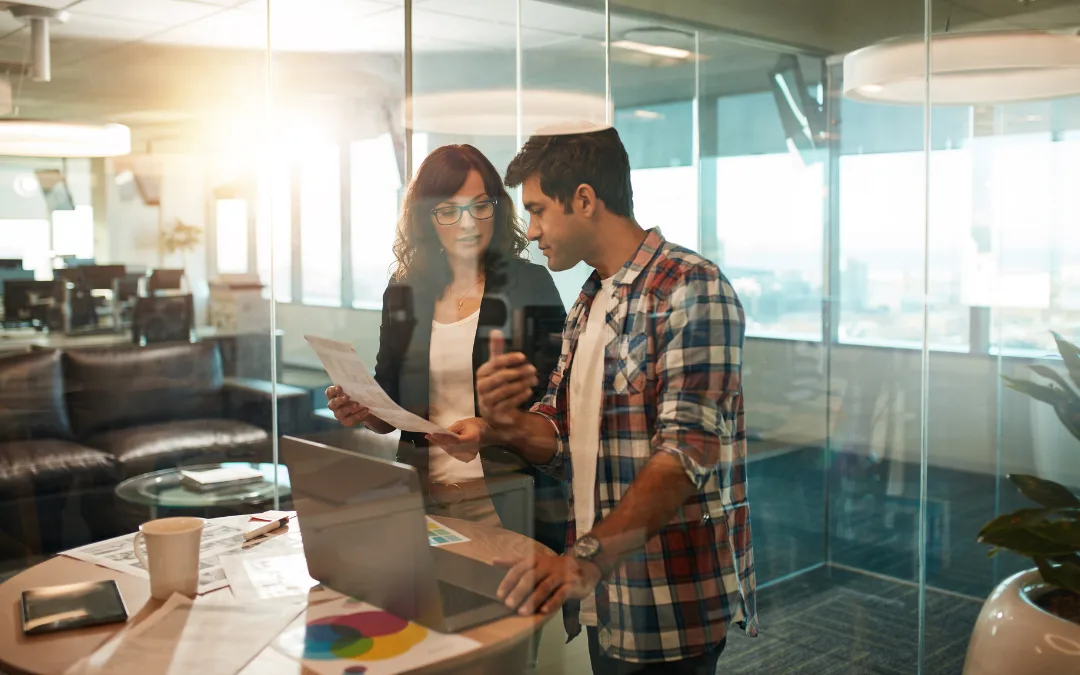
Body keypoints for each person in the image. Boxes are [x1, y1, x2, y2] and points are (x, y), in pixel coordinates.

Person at [472, 127, 758, 675]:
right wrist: (504, 426)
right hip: (606, 597)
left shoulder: (691, 289)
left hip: (668, 600)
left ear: (583, 199)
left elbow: (685, 457)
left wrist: (584, 560)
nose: (530, 232)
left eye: (536, 210)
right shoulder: (590, 298)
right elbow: (562, 437)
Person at [324, 144, 567, 554]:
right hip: (423, 502)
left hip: (508, 500)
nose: (468, 223)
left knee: (506, 618)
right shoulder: (404, 293)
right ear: (427, 218)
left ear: (498, 207)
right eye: (448, 211)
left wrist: (489, 432)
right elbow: (391, 412)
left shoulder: (529, 285)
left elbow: (557, 408)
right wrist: (364, 410)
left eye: (480, 206)